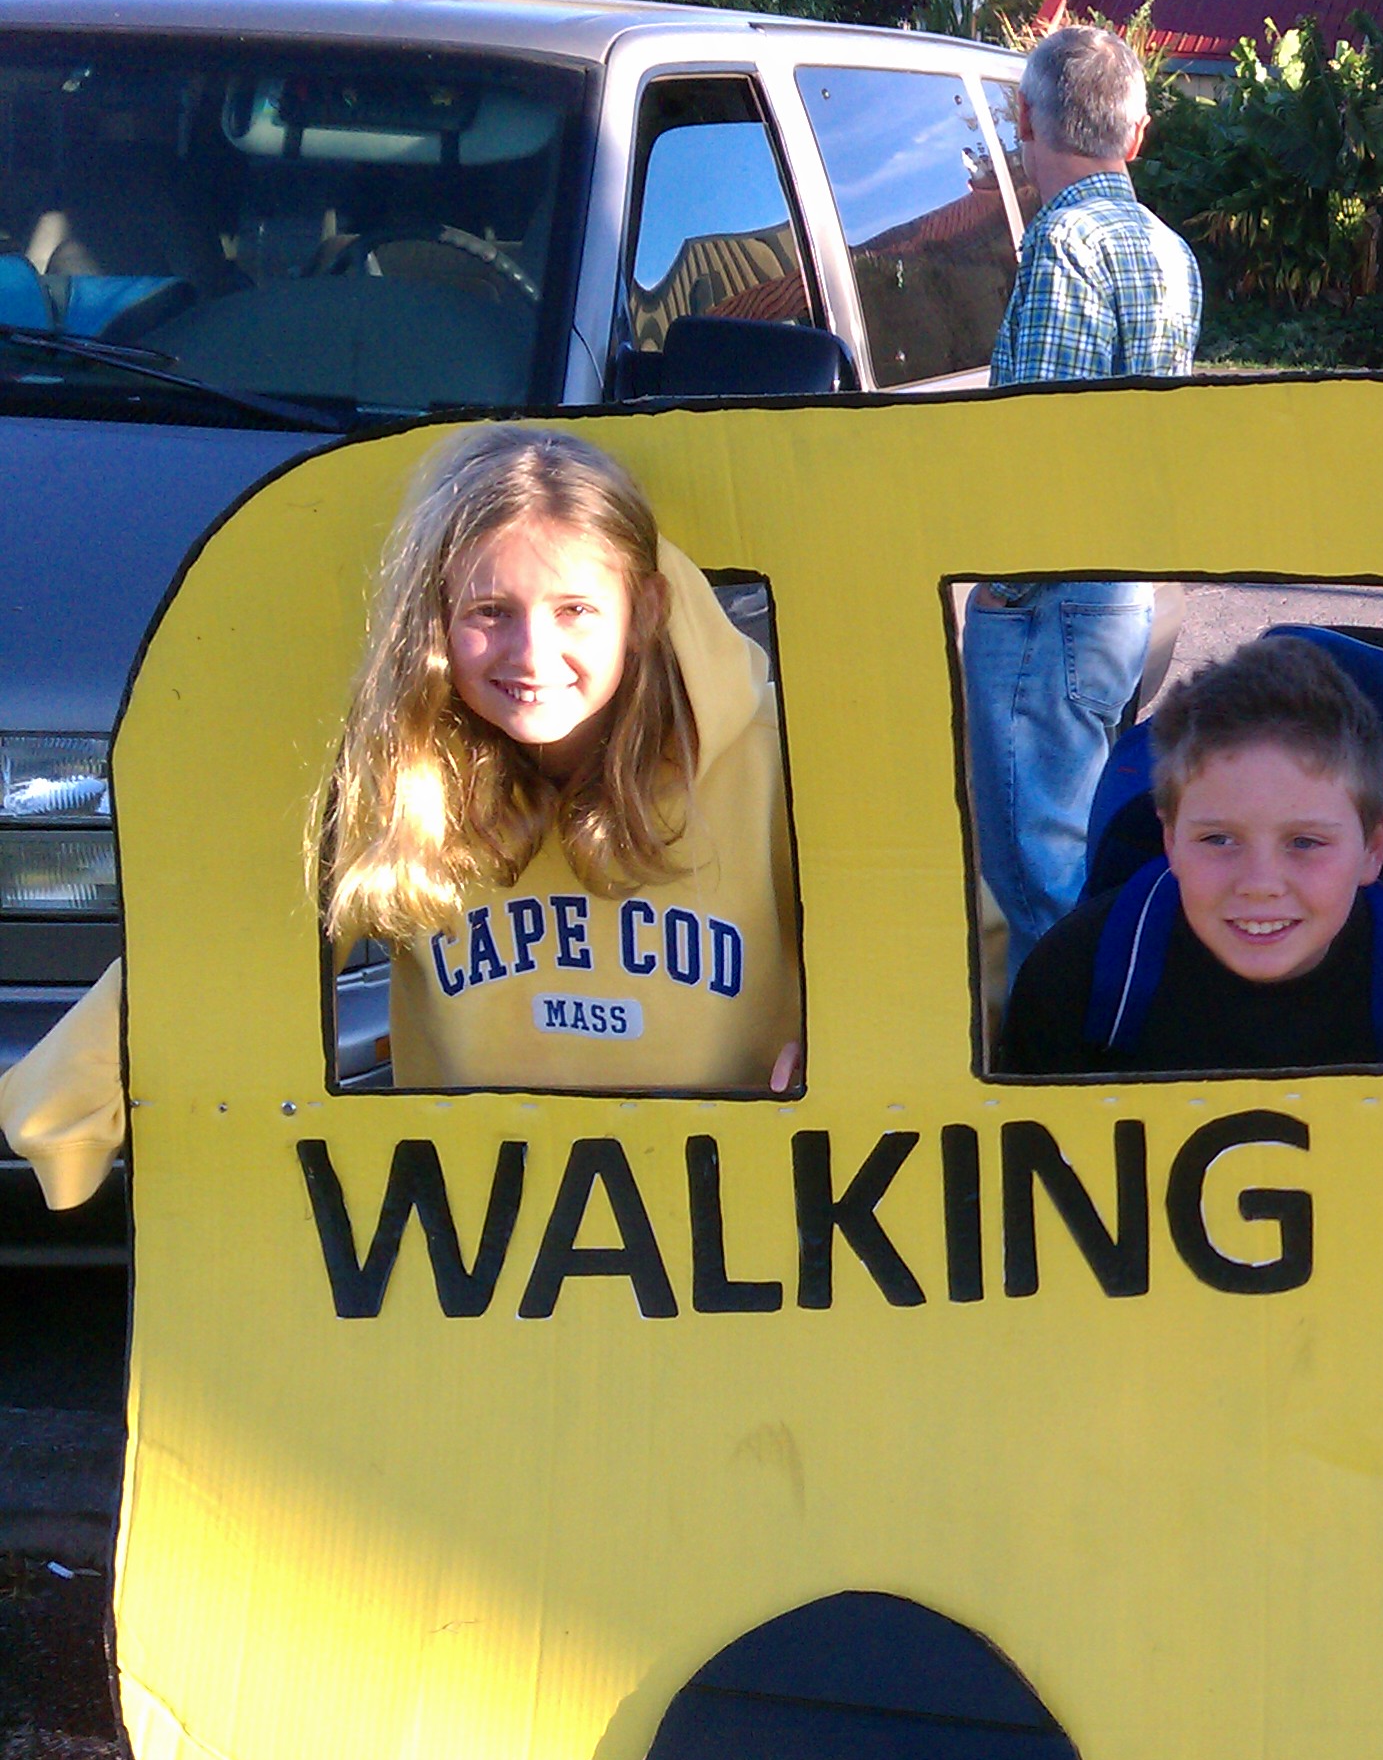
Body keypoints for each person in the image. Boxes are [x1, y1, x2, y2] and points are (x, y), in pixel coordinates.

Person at [0, 425, 802, 1209]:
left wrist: (842, 1056)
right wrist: (66, 1116)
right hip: (479, 1230)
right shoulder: (405, 776)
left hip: (727, 1218)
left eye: (575, 610)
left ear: (647, 607)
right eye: (491, 611)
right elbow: (228, 938)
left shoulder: (771, 758)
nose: (531, 654)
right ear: (436, 618)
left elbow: (895, 924)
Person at [967, 21, 1204, 980]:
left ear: (1024, 119)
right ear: (1136, 136)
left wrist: (1002, 590)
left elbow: (1037, 458)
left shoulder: (1062, 244)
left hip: (1052, 607)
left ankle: (1062, 1076)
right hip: (1124, 594)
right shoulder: (1168, 248)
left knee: (1038, 887)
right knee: (1084, 855)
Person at [1000, 635, 1383, 1077]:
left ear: (1372, 848)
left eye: (1305, 842)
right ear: (1170, 839)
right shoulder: (1079, 978)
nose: (1260, 882)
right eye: (1218, 839)